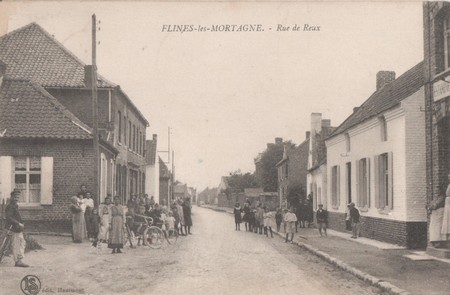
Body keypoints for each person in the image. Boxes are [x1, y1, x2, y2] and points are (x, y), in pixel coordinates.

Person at [5, 189, 29, 267]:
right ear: (12, 196)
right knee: (16, 244)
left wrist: (21, 222)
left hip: (17, 228)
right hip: (14, 228)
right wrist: (18, 223)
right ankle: (18, 261)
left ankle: (19, 259)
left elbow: (16, 216)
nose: (17, 198)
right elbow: (9, 217)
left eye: (18, 196)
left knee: (22, 243)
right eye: (15, 196)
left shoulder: (15, 205)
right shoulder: (10, 206)